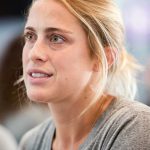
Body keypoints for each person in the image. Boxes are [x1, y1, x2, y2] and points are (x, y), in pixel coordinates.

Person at [18, 0, 150, 150]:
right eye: (30, 36)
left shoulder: (136, 129)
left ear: (103, 58)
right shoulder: (30, 142)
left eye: (56, 38)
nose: (34, 53)